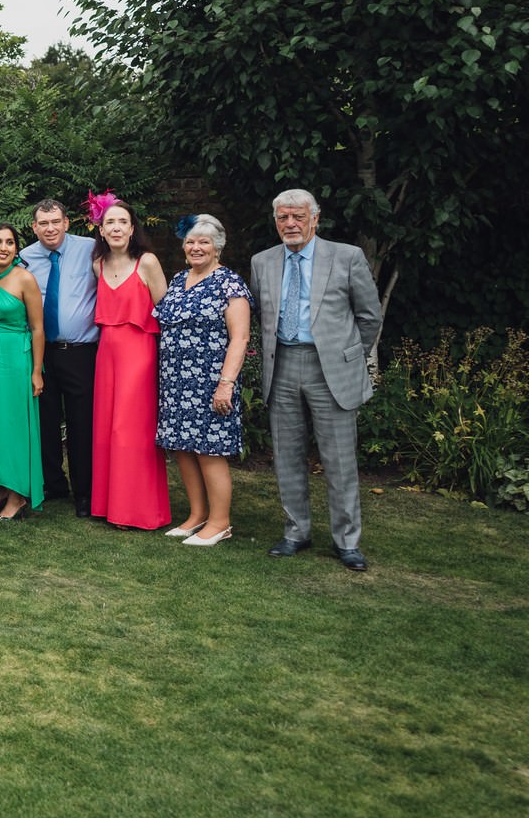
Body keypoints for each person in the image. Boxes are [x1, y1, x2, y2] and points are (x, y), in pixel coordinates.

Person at [250, 189, 382, 571]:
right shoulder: (262, 261)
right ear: (276, 221)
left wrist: (347, 355)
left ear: (315, 218)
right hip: (282, 365)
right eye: (283, 217)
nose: (290, 224)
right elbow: (260, 315)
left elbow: (369, 315)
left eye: (298, 217)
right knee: (286, 456)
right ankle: (296, 532)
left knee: (339, 459)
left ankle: (347, 541)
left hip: (330, 369)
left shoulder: (346, 256)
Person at [154, 215, 253, 547]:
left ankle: (220, 522)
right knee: (183, 449)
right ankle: (197, 515)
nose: (196, 247)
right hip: (175, 382)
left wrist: (226, 383)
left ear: (217, 247)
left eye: (204, 242)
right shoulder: (178, 279)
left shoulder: (230, 284)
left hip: (210, 382)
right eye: (191, 242)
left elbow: (240, 338)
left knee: (210, 451)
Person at [89, 197, 170, 530]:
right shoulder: (98, 264)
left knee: (131, 429)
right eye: (110, 222)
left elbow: (166, 312)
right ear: (101, 230)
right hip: (107, 353)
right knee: (106, 428)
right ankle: (109, 505)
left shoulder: (147, 262)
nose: (116, 228)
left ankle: (136, 510)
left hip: (139, 353)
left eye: (123, 222)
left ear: (133, 228)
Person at [20, 199, 100, 516]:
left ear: (67, 223)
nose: (50, 228)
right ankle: (53, 483)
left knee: (82, 423)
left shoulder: (91, 249)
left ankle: (85, 492)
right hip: (42, 352)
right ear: (34, 227)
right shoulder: (25, 257)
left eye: (56, 222)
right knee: (45, 420)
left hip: (81, 352)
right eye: (43, 223)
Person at [0, 223, 45, 520]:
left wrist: (37, 371)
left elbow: (38, 328)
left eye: (9, 242)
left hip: (15, 358)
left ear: (16, 248)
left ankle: (17, 495)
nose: (3, 248)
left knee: (14, 425)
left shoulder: (25, 278)